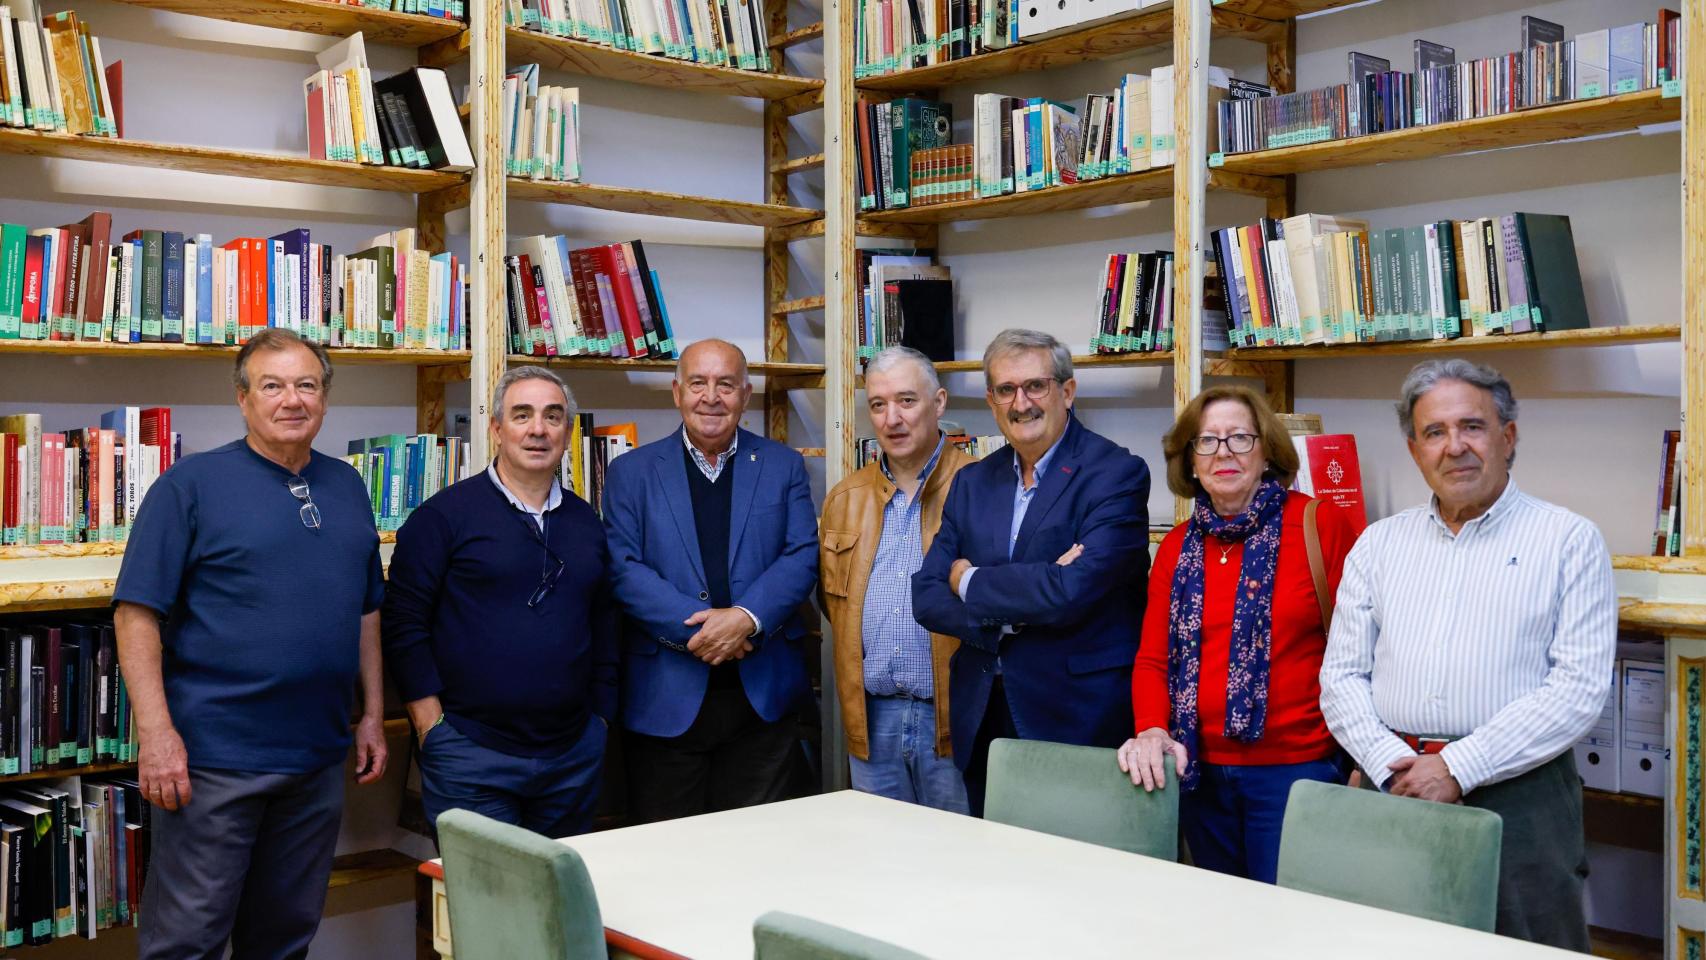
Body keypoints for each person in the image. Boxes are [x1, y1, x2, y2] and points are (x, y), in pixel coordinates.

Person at [1319, 358, 1616, 950]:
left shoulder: (1569, 541)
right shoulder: (1378, 545)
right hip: (1393, 785)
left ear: (1507, 437)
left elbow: (1577, 691)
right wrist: (1391, 764)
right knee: (1389, 945)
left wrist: (1458, 767)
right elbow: (1342, 676)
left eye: (1472, 427)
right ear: (1414, 449)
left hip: (1519, 794)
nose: (1454, 447)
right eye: (1434, 432)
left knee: (1525, 947)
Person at [112, 328, 388, 960]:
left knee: (284, 939)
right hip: (215, 763)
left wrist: (371, 713)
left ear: (324, 399)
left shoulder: (347, 486)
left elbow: (366, 608)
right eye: (272, 386)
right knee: (189, 942)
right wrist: (156, 735)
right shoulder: (190, 487)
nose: (291, 399)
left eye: (306, 385)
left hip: (316, 760)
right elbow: (136, 615)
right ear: (243, 400)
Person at [1116, 385, 1357, 883]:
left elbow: (1361, 653)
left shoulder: (1318, 524)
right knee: (1222, 922)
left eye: (1240, 438)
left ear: (1267, 449)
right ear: (1190, 459)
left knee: (1292, 925)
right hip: (1198, 774)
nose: (1223, 452)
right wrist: (1152, 728)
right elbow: (1154, 660)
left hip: (1297, 772)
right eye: (1207, 441)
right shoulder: (1177, 546)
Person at [912, 328, 1151, 816]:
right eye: (1005, 390)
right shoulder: (973, 481)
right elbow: (927, 595)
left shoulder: (1116, 474)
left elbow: (1072, 590)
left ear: (1067, 391)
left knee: (1076, 872)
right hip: (983, 712)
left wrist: (971, 582)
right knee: (995, 872)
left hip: (1076, 713)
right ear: (991, 401)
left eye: (1035, 386)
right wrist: (1023, 601)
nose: (1021, 403)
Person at [382, 366, 617, 839]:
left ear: (567, 432)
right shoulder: (442, 517)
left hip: (572, 757)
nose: (537, 429)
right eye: (522, 415)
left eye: (553, 417)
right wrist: (432, 728)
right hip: (471, 754)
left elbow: (606, 624)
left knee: (558, 903)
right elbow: (404, 623)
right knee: (487, 907)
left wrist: (601, 719)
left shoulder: (586, 523)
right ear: (496, 429)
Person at [603, 338, 819, 822]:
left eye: (726, 384)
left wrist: (745, 619)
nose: (711, 396)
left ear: (745, 394)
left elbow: (801, 554)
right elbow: (623, 567)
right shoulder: (631, 472)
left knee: (758, 851)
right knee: (669, 857)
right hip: (666, 699)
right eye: (698, 383)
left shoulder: (784, 466)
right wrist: (706, 632)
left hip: (761, 700)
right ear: (677, 392)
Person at [819, 346, 976, 812]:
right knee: (883, 867)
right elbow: (833, 606)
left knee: (960, 864)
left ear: (940, 403)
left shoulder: (980, 486)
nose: (892, 419)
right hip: (873, 718)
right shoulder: (844, 499)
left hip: (952, 719)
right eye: (878, 404)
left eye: (907, 401)